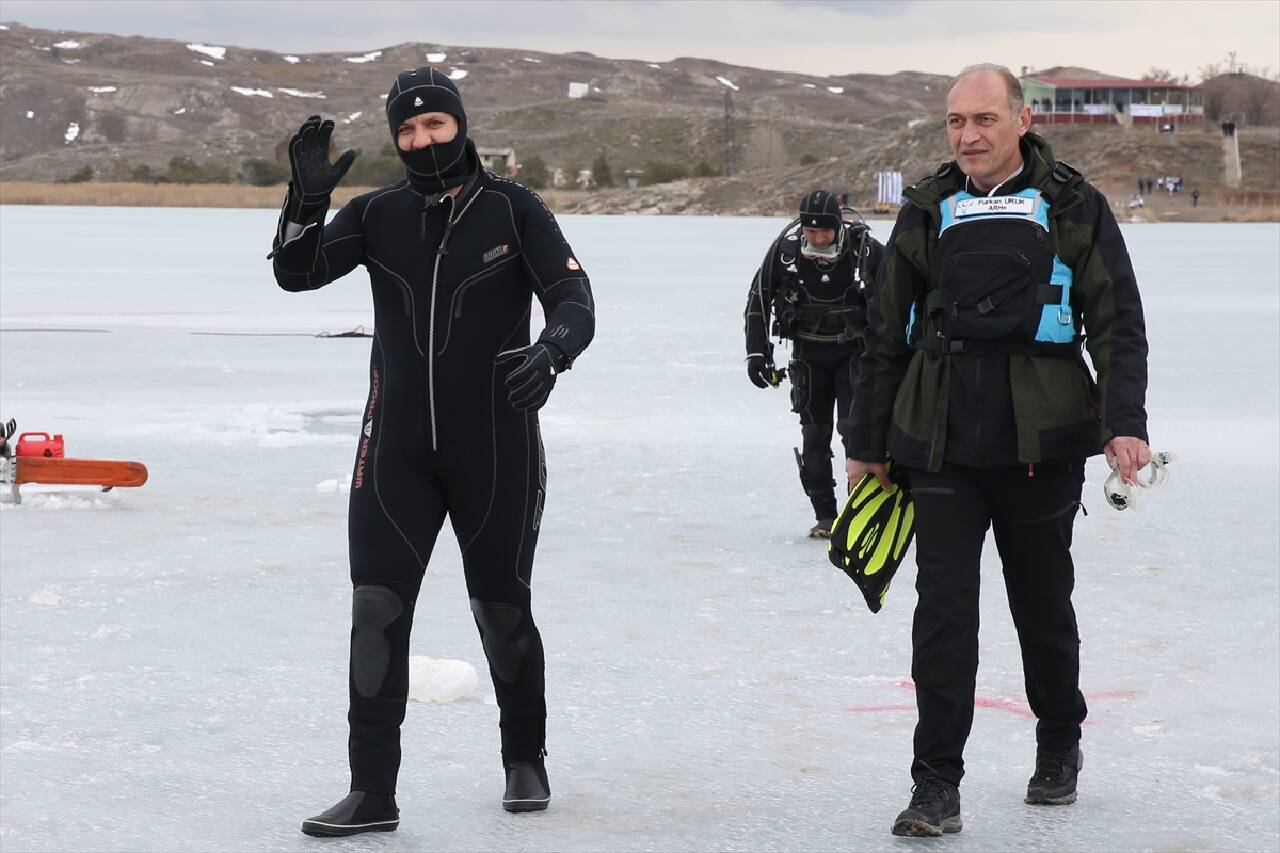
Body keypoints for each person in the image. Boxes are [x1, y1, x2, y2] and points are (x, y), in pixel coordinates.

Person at [268, 67, 595, 836]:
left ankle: (525, 754)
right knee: (376, 610)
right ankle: (371, 789)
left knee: (501, 608)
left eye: (434, 126)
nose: (422, 140)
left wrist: (551, 352)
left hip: (497, 446)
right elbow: (296, 272)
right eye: (407, 132)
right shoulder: (376, 214)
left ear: (460, 125)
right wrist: (305, 204)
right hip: (396, 448)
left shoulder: (515, 210)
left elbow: (575, 300)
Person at [846, 64, 1150, 837]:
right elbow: (884, 332)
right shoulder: (925, 208)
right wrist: (866, 444)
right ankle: (935, 784)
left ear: (1021, 119)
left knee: (1042, 606)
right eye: (955, 121)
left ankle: (1059, 743)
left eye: (983, 119)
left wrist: (1123, 419)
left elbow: (1116, 319)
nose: (968, 135)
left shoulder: (1074, 206)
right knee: (943, 617)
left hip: (1040, 442)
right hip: (939, 441)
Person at [744, 189, 884, 538]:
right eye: (812, 231)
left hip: (855, 354)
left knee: (856, 432)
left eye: (825, 232)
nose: (818, 238)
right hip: (809, 356)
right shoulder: (786, 253)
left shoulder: (865, 251)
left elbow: (897, 301)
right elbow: (758, 300)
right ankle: (825, 516)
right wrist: (757, 353)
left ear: (839, 226)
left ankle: (858, 515)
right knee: (814, 436)